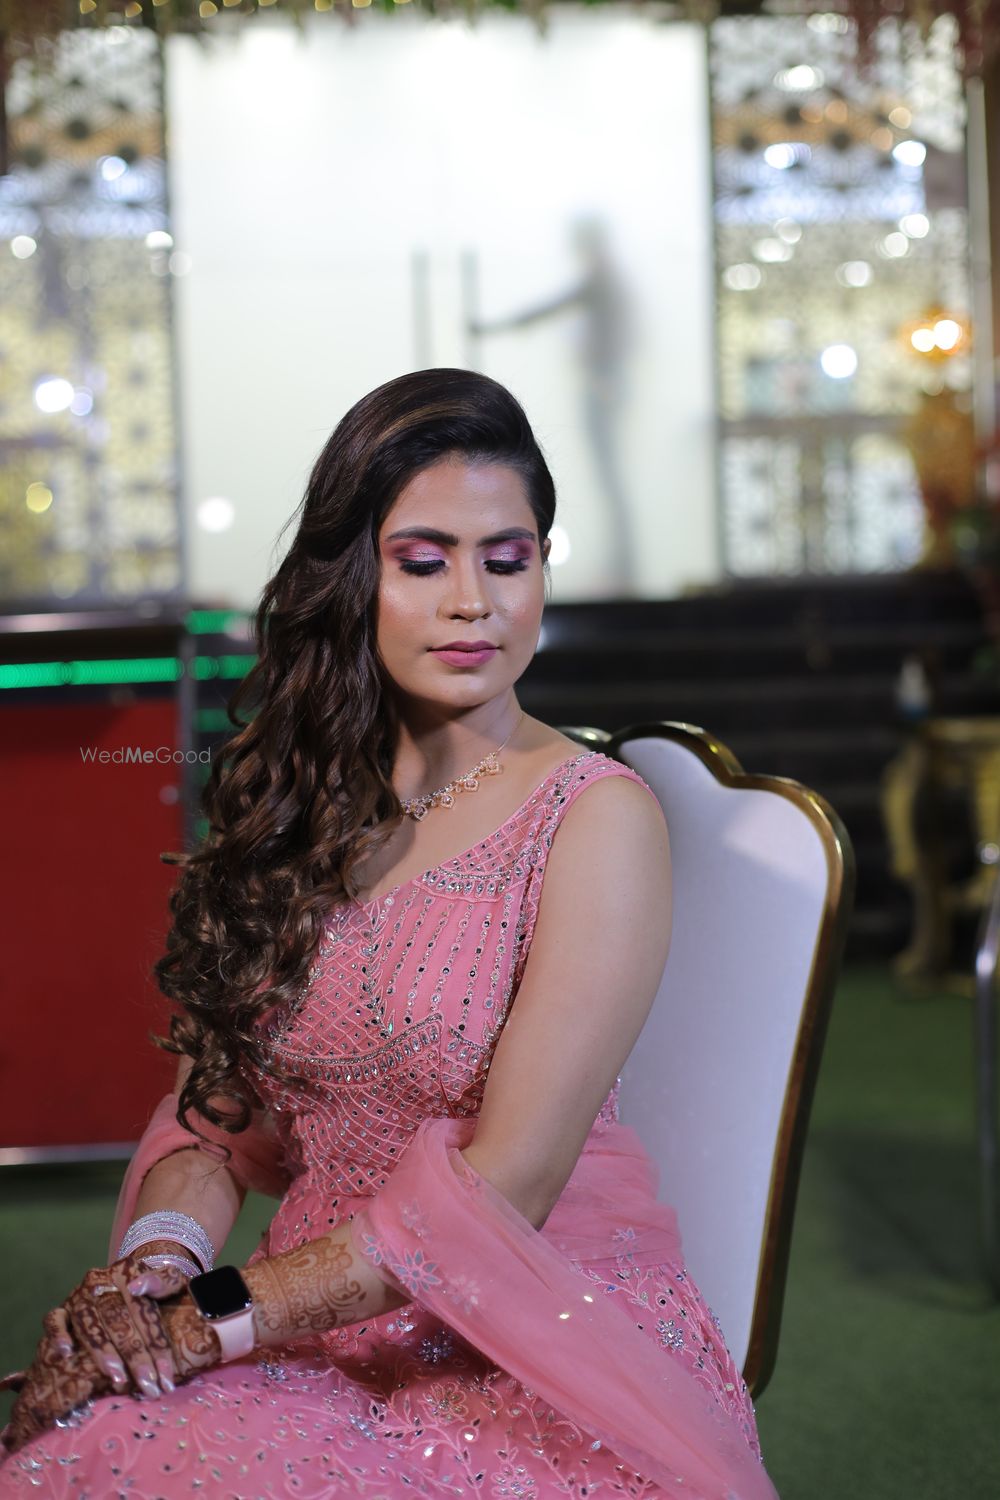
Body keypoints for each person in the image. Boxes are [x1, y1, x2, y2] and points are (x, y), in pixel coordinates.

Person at [0, 368, 779, 1499]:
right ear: (352, 579)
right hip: (311, 1323)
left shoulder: (593, 818)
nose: (474, 601)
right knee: (85, 1441)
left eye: (506, 559)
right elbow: (213, 1117)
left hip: (532, 1341)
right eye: (423, 562)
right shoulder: (298, 812)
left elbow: (506, 1186)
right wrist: (154, 1277)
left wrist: (208, 1320)